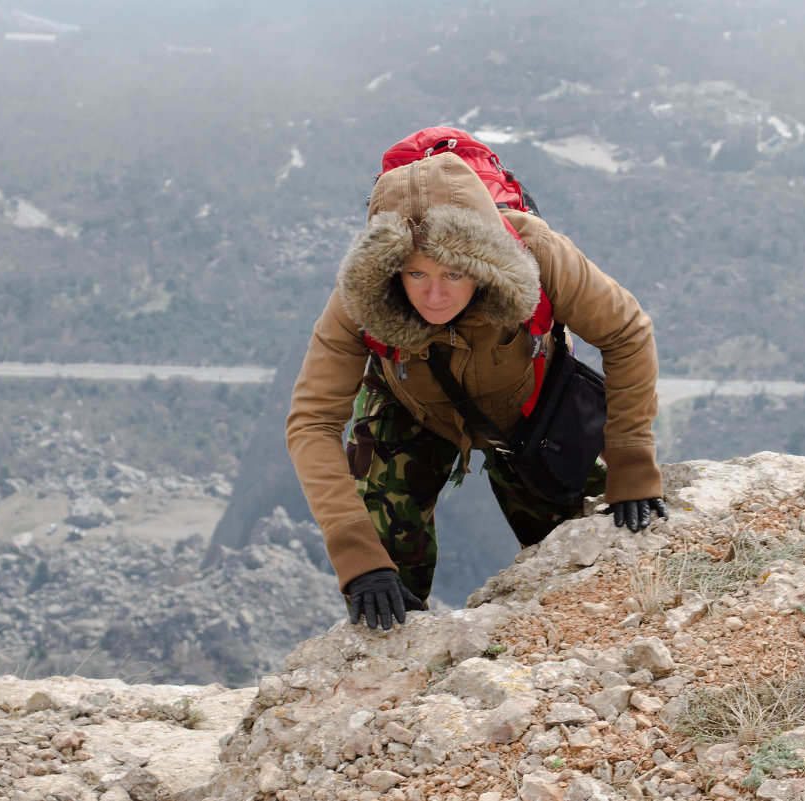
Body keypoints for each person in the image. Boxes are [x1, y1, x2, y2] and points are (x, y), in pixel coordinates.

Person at [286, 150, 667, 631]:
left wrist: (632, 464)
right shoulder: (359, 295)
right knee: (384, 581)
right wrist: (357, 554)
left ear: (484, 261)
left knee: (582, 560)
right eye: (416, 274)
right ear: (388, 269)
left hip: (529, 407)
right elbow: (311, 421)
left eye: (453, 273)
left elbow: (627, 332)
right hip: (410, 407)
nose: (435, 296)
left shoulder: (538, 253)